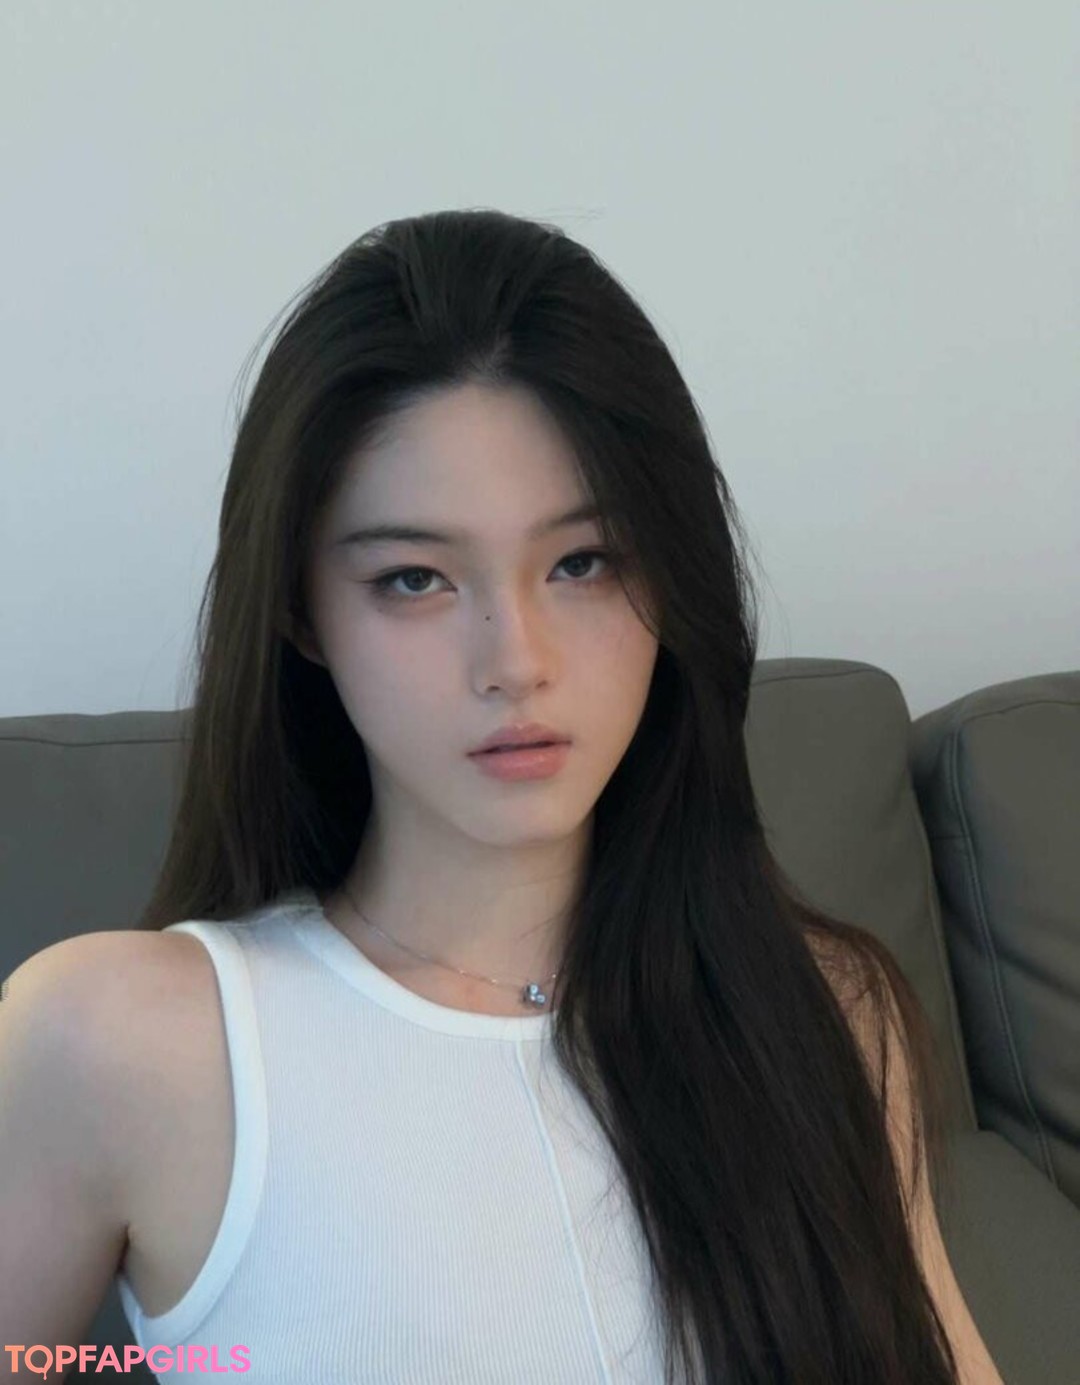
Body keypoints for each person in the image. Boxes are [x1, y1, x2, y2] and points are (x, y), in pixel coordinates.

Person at [1, 210, 1004, 1383]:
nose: (515, 660)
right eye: (414, 578)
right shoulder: (116, 1040)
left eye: (582, 562)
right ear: (300, 613)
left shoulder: (821, 1011)